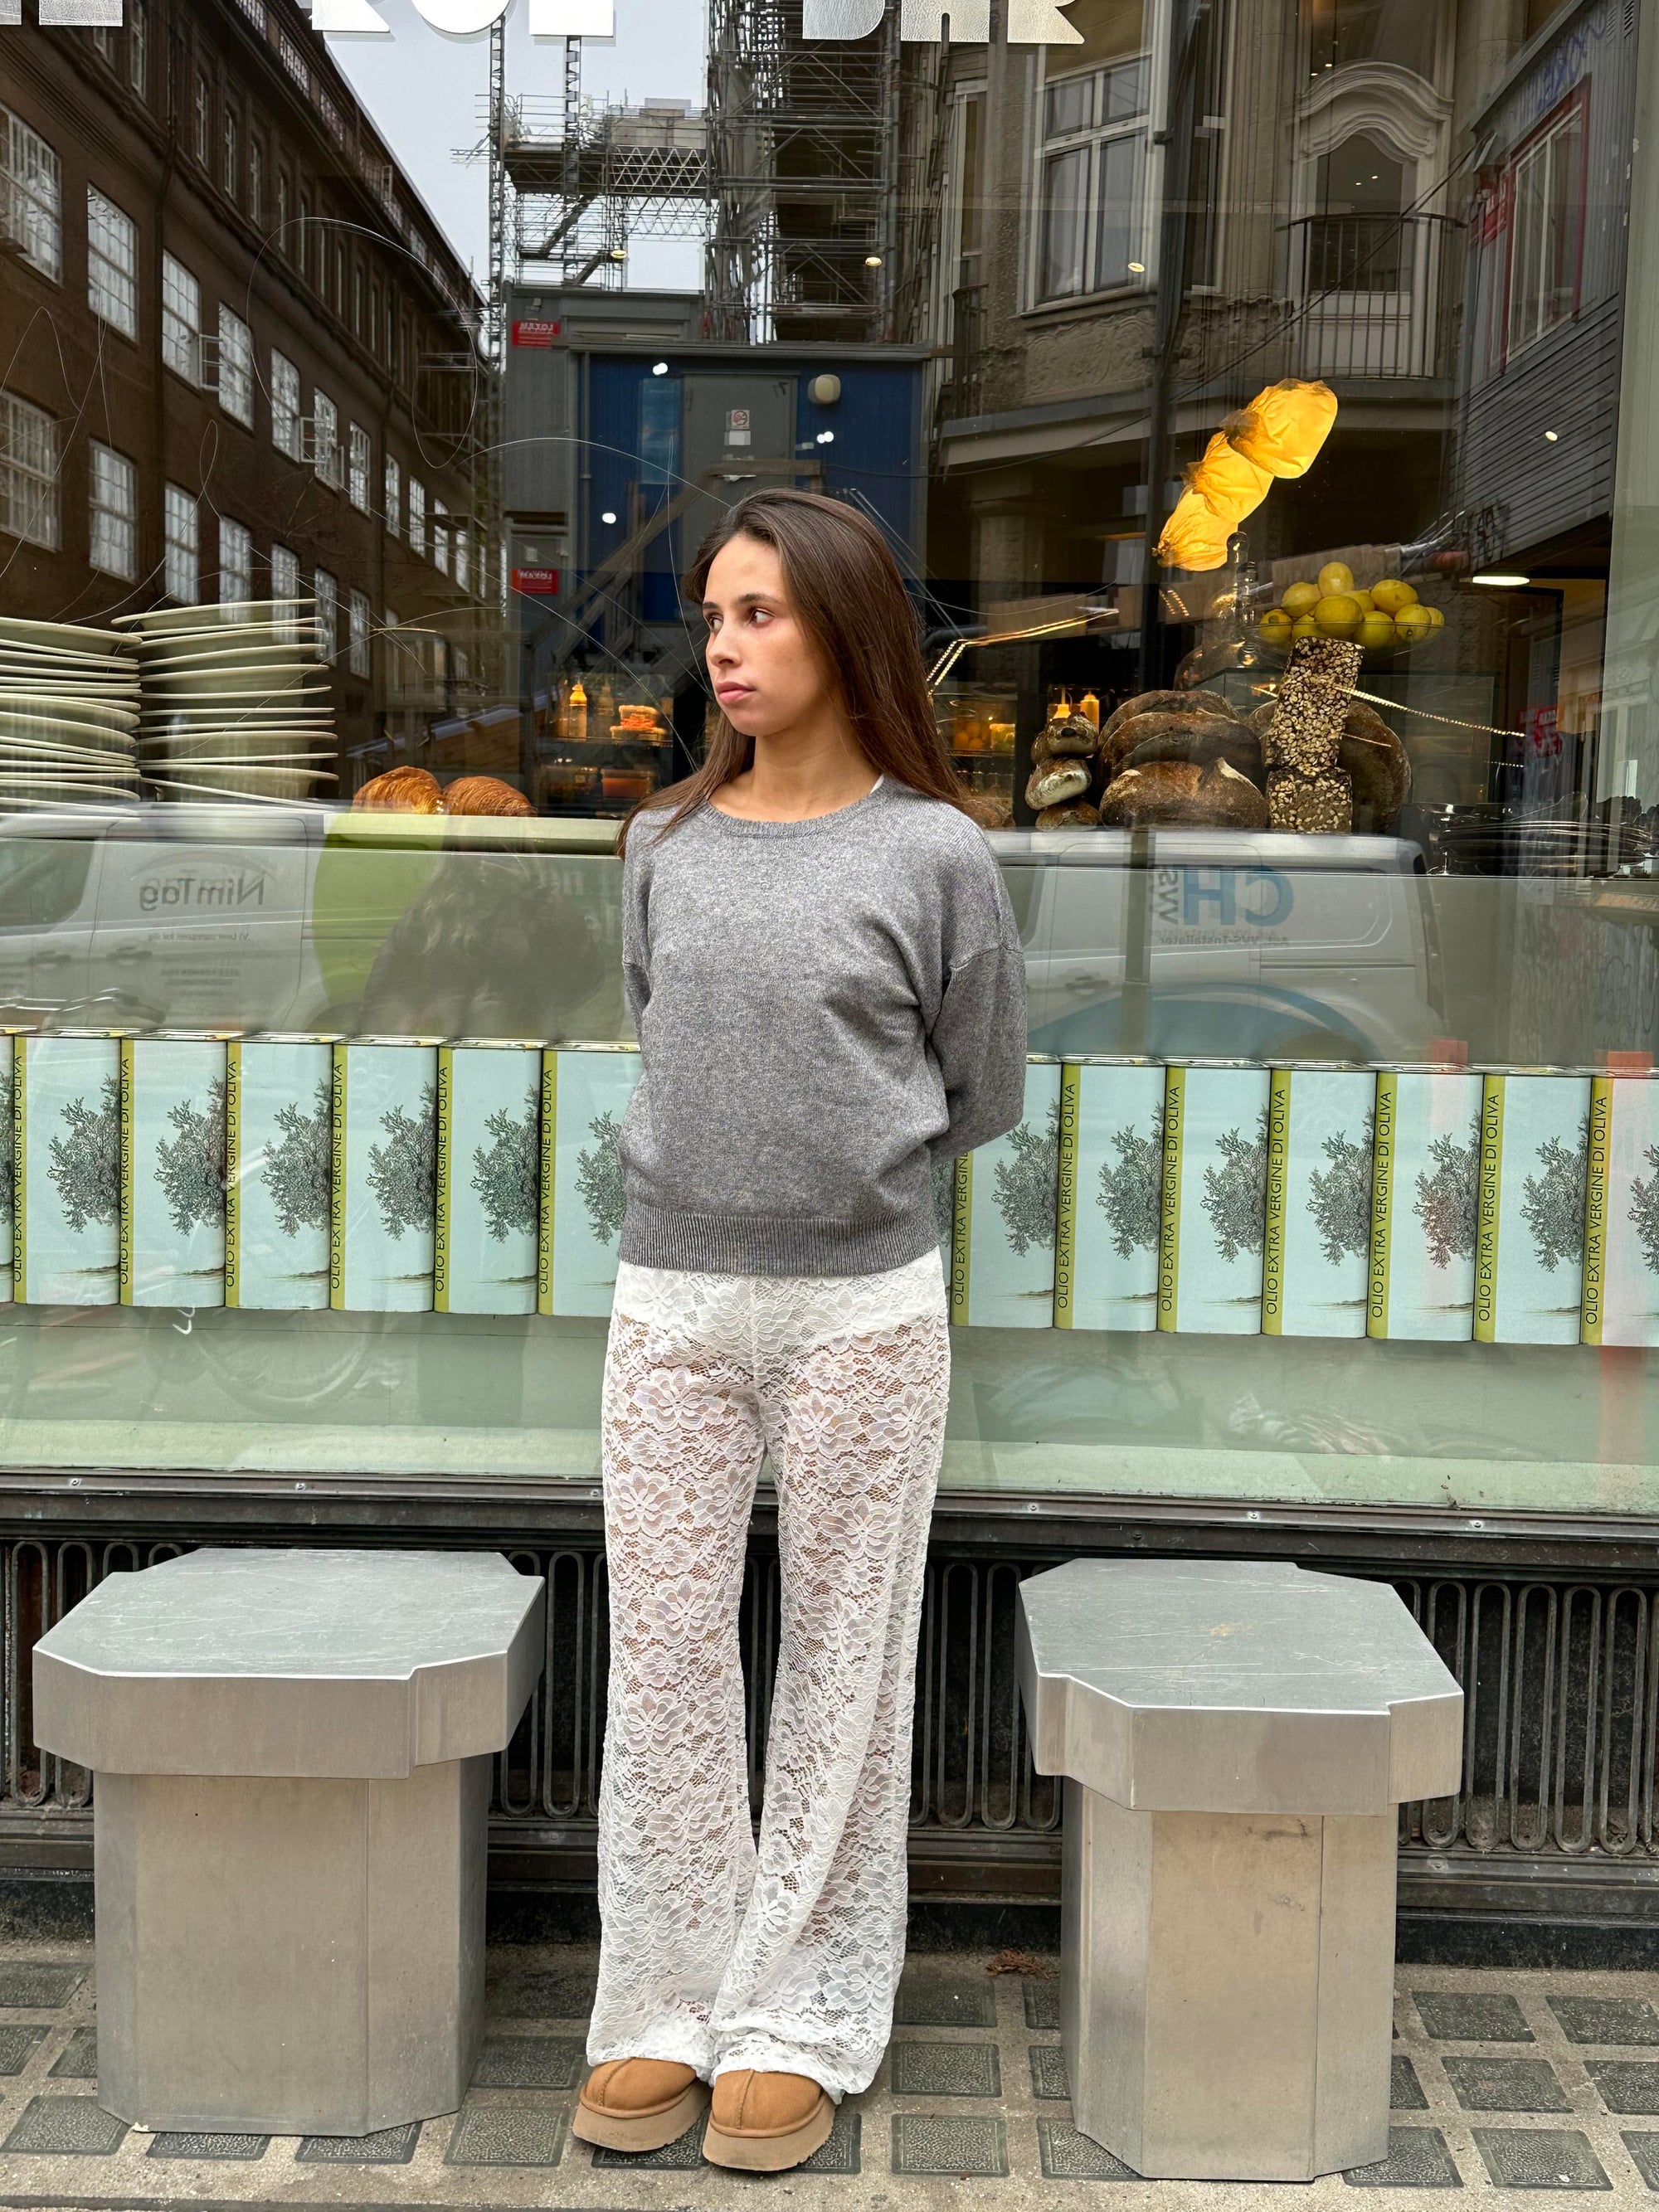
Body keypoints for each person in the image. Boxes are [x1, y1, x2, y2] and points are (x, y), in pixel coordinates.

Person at [571, 489, 1028, 2173]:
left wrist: (846, 1178)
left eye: (759, 612)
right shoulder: (663, 845)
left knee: (846, 1660)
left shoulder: (935, 855)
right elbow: (659, 1030)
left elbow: (982, 1086)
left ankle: (802, 2016)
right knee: (665, 1653)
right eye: (713, 616)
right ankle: (663, 1999)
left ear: (844, 628)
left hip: (864, 1310)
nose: (724, 645)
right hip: (672, 1301)